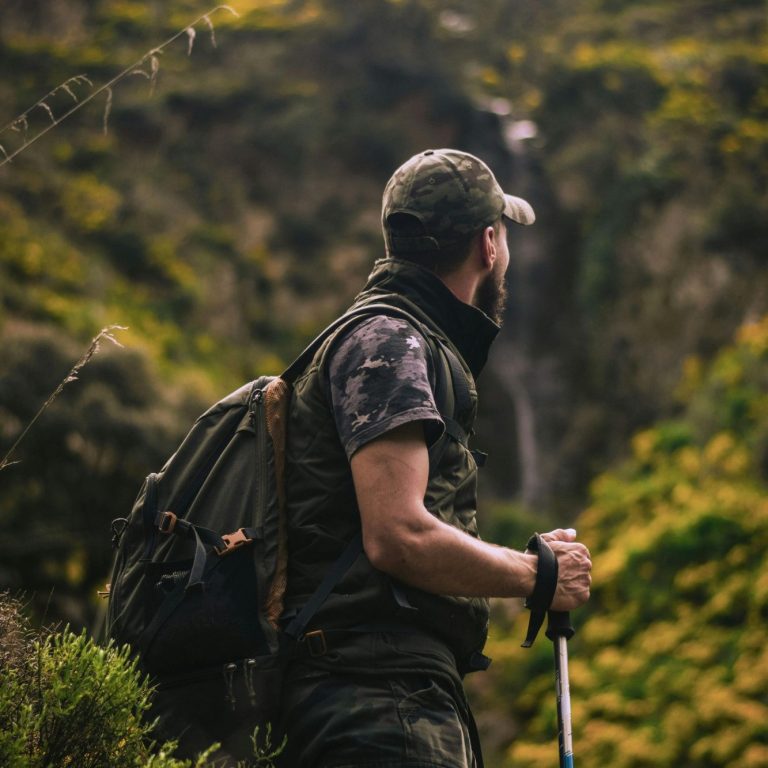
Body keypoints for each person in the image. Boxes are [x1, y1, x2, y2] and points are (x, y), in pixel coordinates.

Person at [280, 148, 592, 768]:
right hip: (376, 703)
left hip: (387, 695)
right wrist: (538, 576)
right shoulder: (390, 340)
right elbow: (397, 536)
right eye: (501, 231)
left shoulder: (397, 337)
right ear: (488, 244)